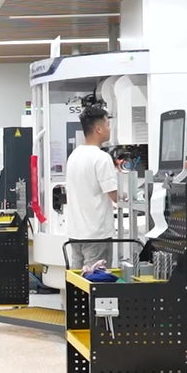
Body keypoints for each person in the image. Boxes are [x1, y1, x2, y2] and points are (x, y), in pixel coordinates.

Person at [64, 96, 118, 269]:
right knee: (96, 281)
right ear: (98, 129)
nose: (110, 128)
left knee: (77, 281)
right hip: (96, 235)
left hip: (76, 234)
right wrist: (133, 196)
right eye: (108, 124)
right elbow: (114, 195)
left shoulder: (74, 156)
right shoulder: (101, 158)